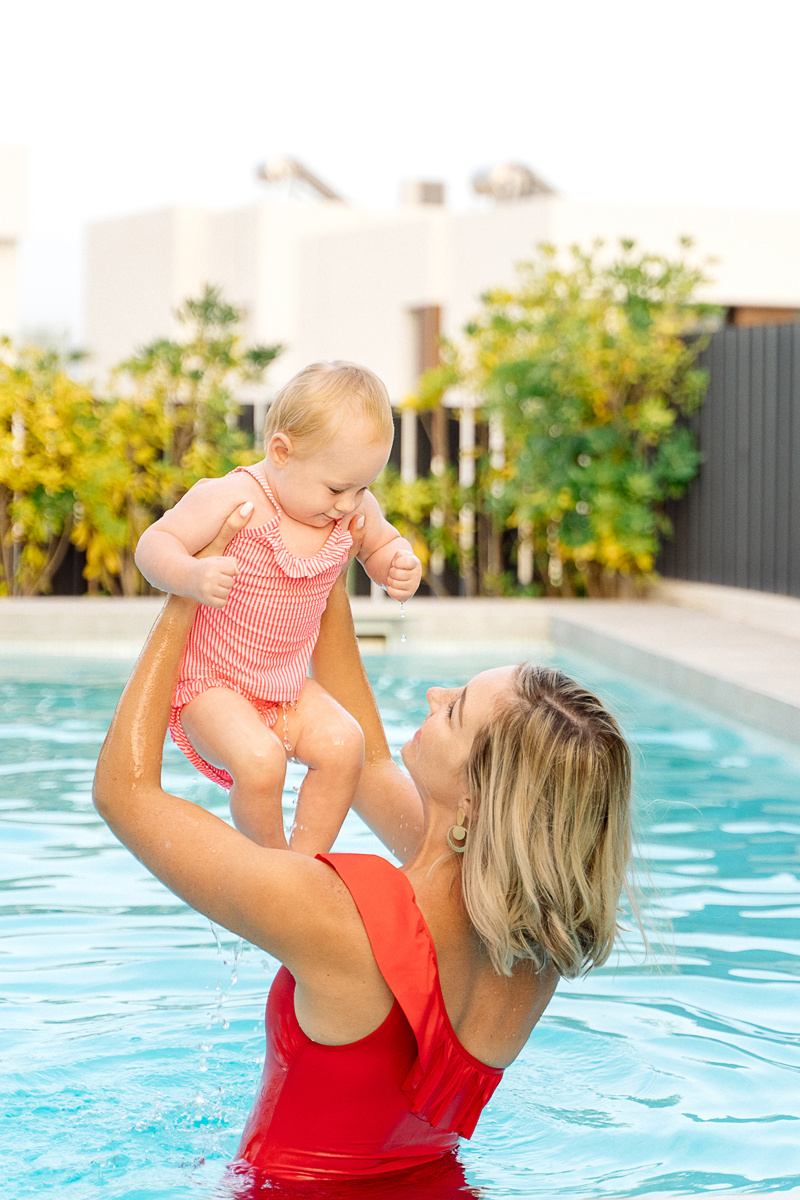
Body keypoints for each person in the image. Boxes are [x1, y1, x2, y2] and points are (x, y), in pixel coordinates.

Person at [94, 502, 634, 1197]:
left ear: (475, 800)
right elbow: (371, 761)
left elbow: (124, 793)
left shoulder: (340, 915)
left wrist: (183, 595)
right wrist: (327, 549)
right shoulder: (540, 940)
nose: (435, 694)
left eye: (454, 709)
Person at [134, 360, 422, 855]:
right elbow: (153, 545)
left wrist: (398, 563)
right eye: (336, 489)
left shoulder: (350, 506)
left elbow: (381, 546)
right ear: (281, 452)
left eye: (364, 488)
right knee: (261, 761)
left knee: (345, 745)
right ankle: (269, 864)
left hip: (284, 688)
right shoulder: (235, 497)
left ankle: (305, 862)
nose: (349, 505)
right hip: (212, 686)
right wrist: (192, 575)